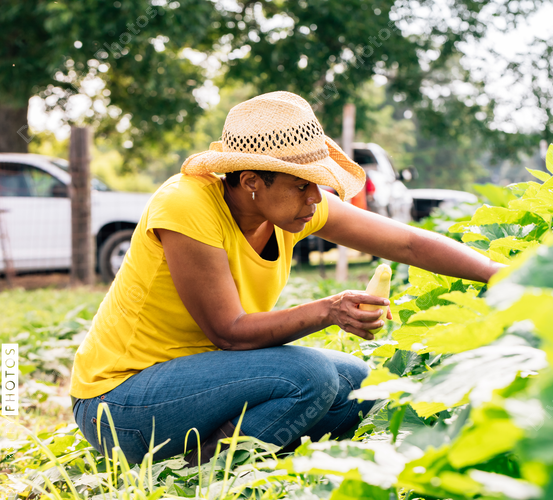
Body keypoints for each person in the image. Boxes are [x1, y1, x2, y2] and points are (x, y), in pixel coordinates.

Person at [69, 91, 500, 465]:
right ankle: (202, 470)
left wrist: (497, 273)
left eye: (319, 183)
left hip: (204, 385)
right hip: (118, 404)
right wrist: (330, 310)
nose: (316, 196)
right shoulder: (186, 206)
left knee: (361, 386)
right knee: (309, 376)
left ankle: (251, 452)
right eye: (302, 185)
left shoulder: (291, 207)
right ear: (252, 180)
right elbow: (231, 334)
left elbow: (406, 244)